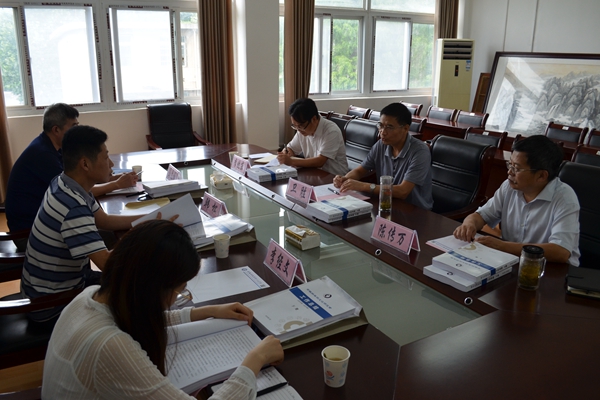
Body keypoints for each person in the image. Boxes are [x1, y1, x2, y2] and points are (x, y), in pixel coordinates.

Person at [42, 219, 284, 399]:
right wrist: (255, 359)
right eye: (178, 292)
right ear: (152, 289)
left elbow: (138, 315)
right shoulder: (110, 346)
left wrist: (205, 311)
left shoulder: (92, 295)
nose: (175, 299)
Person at [21, 125, 146, 322]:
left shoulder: (64, 183)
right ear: (85, 164)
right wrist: (144, 234)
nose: (111, 164)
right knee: (139, 291)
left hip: (49, 288)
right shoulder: (72, 206)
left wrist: (147, 219)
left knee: (135, 284)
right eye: (106, 157)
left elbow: (103, 220)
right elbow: (108, 264)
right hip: (51, 305)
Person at [5, 103, 137, 250]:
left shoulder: (53, 148)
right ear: (56, 130)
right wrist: (116, 185)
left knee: (115, 235)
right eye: (73, 126)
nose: (77, 131)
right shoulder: (43, 156)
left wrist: (112, 178)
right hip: (29, 234)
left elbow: (80, 185)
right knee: (118, 239)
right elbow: (77, 190)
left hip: (45, 225)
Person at [454, 135, 580, 266]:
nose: (509, 172)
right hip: (511, 261)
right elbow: (481, 215)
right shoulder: (509, 187)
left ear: (541, 176)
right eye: (510, 164)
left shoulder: (565, 199)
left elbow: (561, 251)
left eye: (517, 168)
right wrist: (469, 224)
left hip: (551, 268)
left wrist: (502, 246)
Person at [333, 102, 433, 210]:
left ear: (405, 128)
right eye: (381, 125)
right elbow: (360, 171)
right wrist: (345, 179)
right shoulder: (381, 145)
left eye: (389, 127)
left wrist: (363, 186)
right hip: (387, 204)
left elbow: (403, 191)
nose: (383, 132)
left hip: (414, 211)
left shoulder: (420, 151)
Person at [277, 97, 349, 176]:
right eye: (294, 126)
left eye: (300, 126)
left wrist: (291, 161)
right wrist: (285, 154)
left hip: (333, 177)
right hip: (313, 174)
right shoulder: (302, 130)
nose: (298, 130)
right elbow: (290, 148)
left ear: (314, 119)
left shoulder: (331, 131)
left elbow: (320, 161)